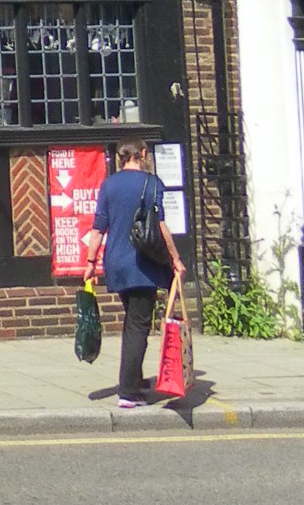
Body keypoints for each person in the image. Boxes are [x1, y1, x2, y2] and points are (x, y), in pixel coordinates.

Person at [81, 140, 185, 409]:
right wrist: (175, 258)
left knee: (133, 320)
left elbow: (98, 228)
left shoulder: (109, 185)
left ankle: (136, 379)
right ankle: (128, 391)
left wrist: (90, 261)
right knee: (138, 325)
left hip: (115, 263)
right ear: (142, 155)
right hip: (143, 264)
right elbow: (160, 225)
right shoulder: (151, 184)